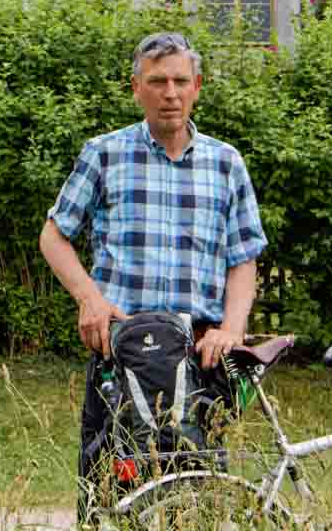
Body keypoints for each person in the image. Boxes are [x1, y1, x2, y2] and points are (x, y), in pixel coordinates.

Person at [37, 30, 267, 503]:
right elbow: (54, 236)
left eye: (181, 81)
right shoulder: (104, 154)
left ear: (197, 86)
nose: (170, 93)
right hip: (121, 352)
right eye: (157, 81)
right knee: (108, 506)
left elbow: (244, 258)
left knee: (193, 507)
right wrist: (90, 299)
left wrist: (232, 329)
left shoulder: (227, 164)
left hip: (199, 357)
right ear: (135, 88)